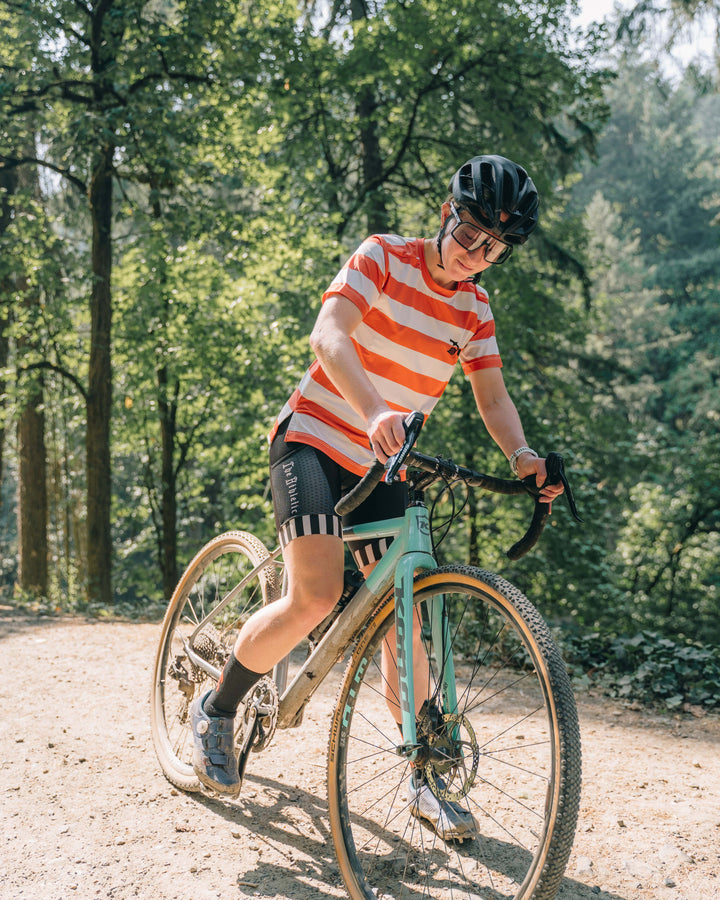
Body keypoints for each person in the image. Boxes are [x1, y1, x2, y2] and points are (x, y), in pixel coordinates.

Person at [190, 154, 565, 839]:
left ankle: (425, 775)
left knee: (405, 622)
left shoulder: (475, 308)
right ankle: (218, 708)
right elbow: (328, 335)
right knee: (312, 595)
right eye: (471, 235)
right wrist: (370, 411)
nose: (477, 255)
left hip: (383, 463)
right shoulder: (384, 256)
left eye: (494, 249)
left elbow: (492, 395)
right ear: (447, 213)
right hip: (314, 441)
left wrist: (524, 457)